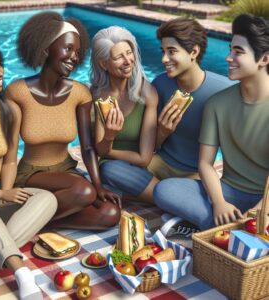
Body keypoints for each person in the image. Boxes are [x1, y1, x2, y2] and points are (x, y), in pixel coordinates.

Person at [6, 12, 121, 230]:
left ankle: (34, 221)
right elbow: (9, 150)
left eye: (77, 52)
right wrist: (5, 191)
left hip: (66, 172)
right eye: (68, 49)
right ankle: (31, 214)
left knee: (110, 213)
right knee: (83, 191)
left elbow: (87, 148)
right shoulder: (17, 92)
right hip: (31, 174)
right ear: (46, 49)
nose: (74, 58)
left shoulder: (80, 93)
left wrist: (99, 186)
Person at [154, 14, 269, 230]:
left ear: (264, 59)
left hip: (266, 197)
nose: (228, 57)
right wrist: (219, 203)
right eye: (230, 49)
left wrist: (261, 211)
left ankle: (228, 229)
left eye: (238, 52)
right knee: (165, 190)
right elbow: (205, 164)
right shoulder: (217, 103)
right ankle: (237, 228)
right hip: (228, 190)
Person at [0, 38, 57, 300]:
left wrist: (6, 192)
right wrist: (0, 196)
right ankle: (22, 273)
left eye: (0, 65)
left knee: (47, 199)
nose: (0, 73)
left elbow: (9, 160)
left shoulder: (9, 111)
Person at [91, 26, 158, 203]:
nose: (128, 61)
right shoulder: (97, 96)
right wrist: (109, 136)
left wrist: (109, 148)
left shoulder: (148, 93)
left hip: (142, 169)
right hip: (111, 169)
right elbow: (100, 151)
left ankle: (144, 195)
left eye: (129, 53)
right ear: (103, 63)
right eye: (119, 57)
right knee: (109, 170)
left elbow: (144, 159)